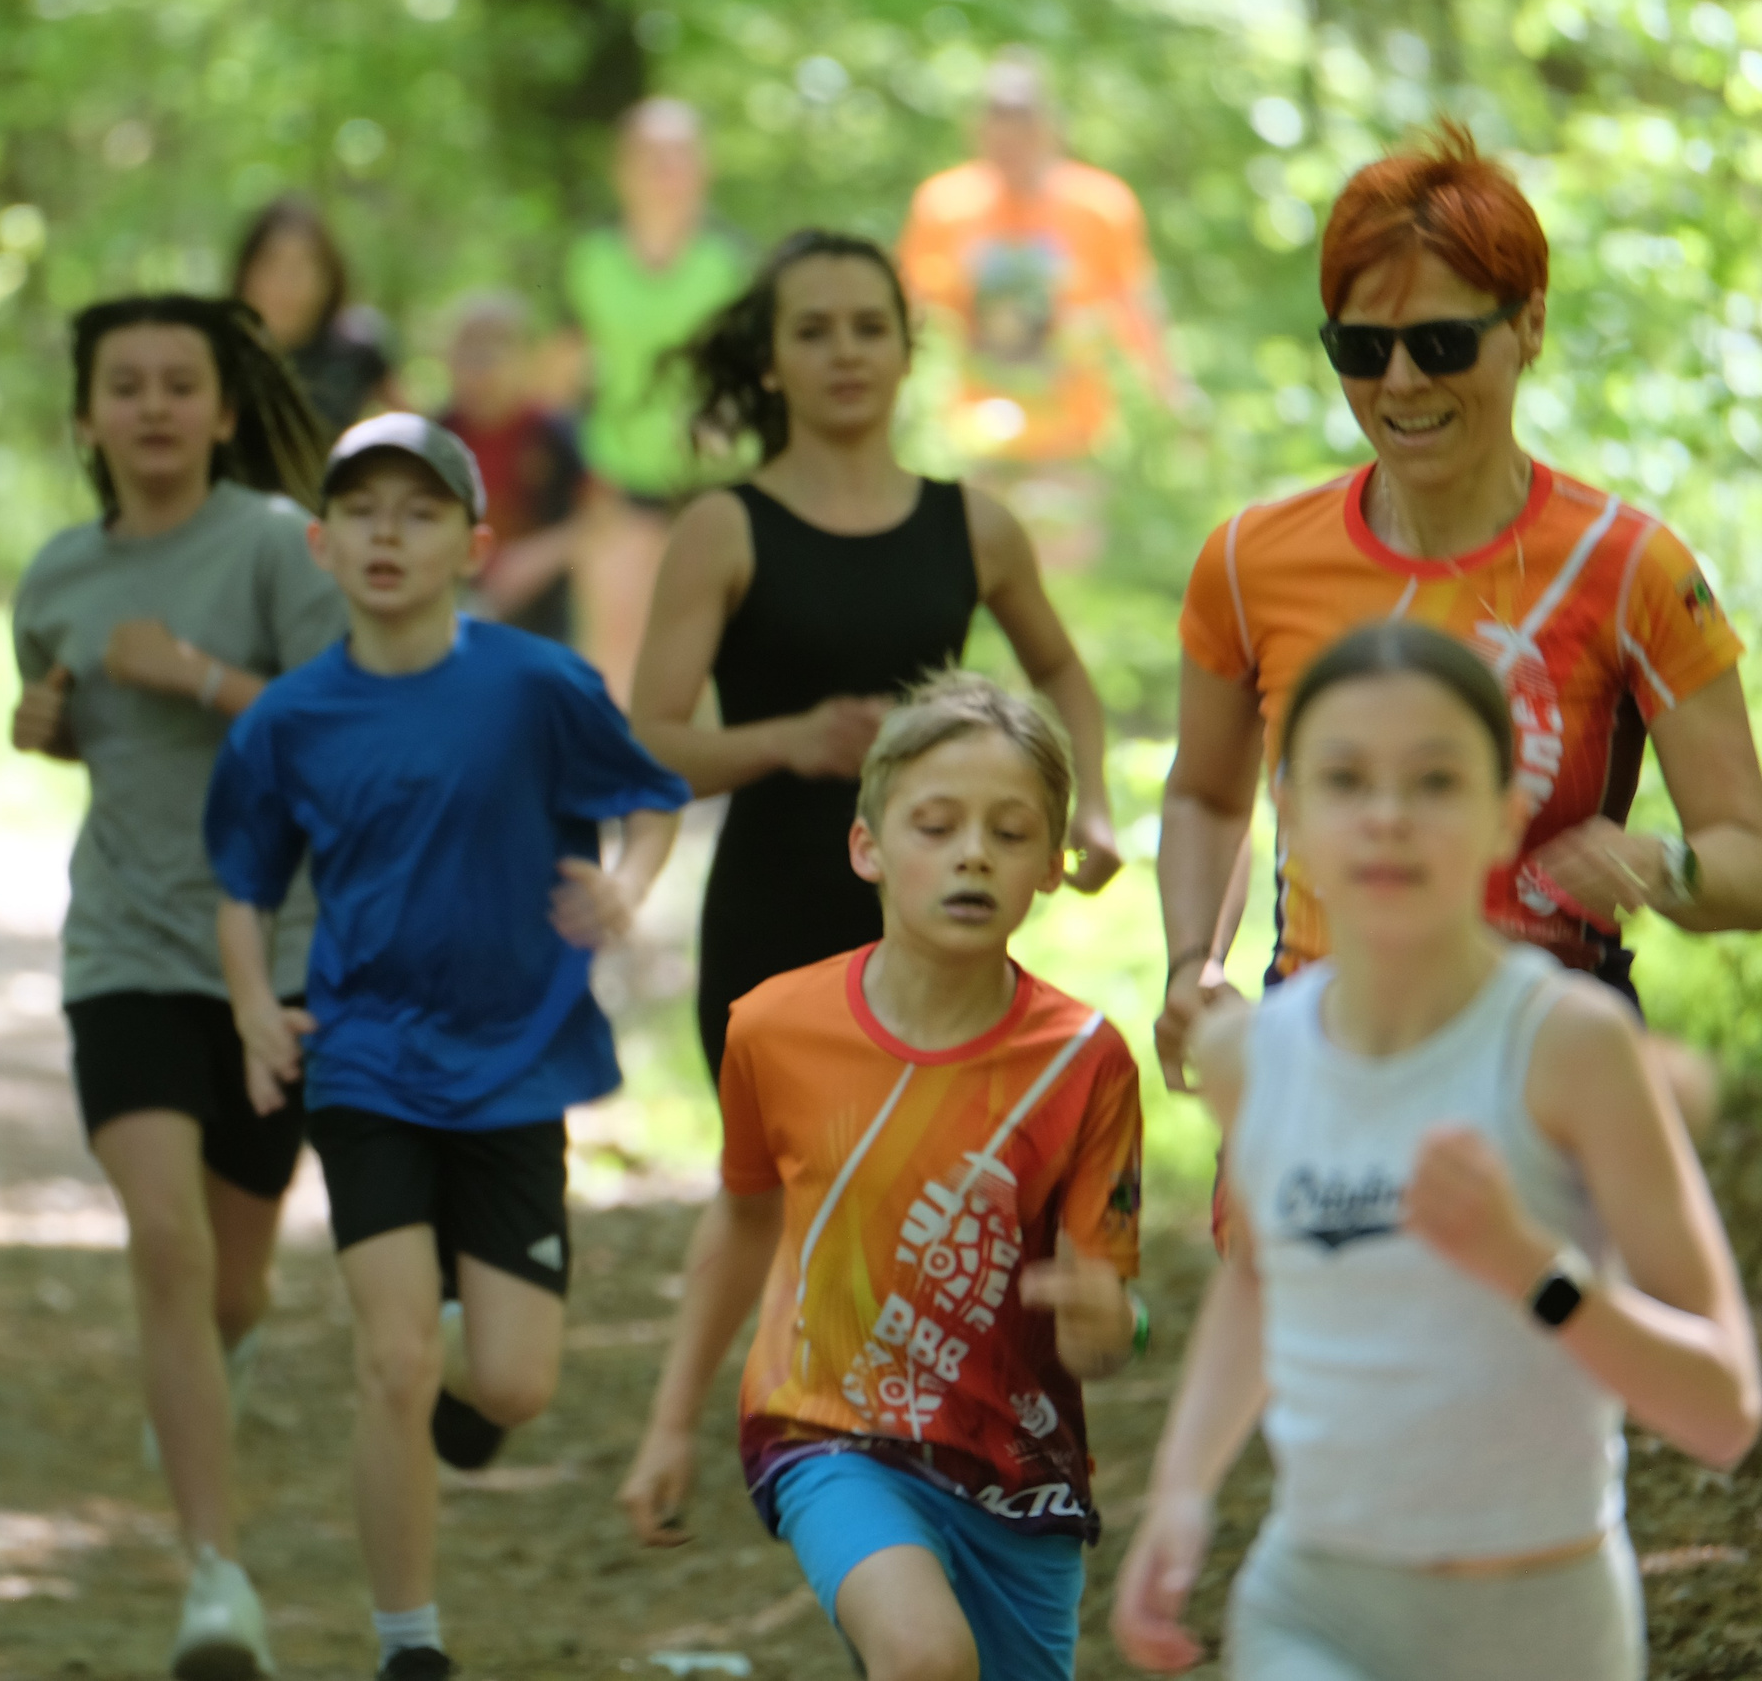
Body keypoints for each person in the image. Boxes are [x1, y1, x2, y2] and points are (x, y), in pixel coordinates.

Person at [1112, 621, 1760, 1680]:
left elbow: (1724, 1408)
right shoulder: (1247, 1056)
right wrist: (1182, 1488)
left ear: (1505, 816)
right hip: (1314, 1608)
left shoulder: (1569, 1047)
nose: (1386, 817)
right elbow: (1264, 1278)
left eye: (1434, 781)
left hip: (1543, 1624)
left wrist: (1529, 1270)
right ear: (1294, 816)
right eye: (1345, 780)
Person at [205, 414, 689, 1681]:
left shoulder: (536, 685)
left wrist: (627, 886)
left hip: (519, 1062)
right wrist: (256, 1006)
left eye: (419, 513)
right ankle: (407, 1644)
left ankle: (460, 1401)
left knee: (514, 1384)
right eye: (361, 512)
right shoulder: (289, 719)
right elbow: (242, 883)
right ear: (319, 542)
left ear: (472, 547)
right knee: (396, 1356)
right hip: (364, 1056)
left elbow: (651, 800)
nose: (386, 535)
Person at [1155, 124, 1762, 1123]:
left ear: (1526, 325)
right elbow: (1208, 800)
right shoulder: (1249, 558)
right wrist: (1192, 962)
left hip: (1546, 1060)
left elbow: (1745, 851)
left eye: (1440, 343)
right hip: (1317, 1040)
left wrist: (1662, 864)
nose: (1399, 383)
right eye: (1360, 349)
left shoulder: (1625, 567)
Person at [618, 673, 1146, 1681]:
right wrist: (669, 1422)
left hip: (1018, 1471)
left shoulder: (1085, 1060)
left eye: (1010, 831)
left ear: (1048, 865)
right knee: (921, 1657)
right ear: (868, 846)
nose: (971, 855)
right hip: (825, 1429)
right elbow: (740, 1222)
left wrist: (1106, 1324)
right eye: (935, 825)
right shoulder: (771, 1029)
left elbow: (1107, 1314)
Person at [8, 292, 342, 1681]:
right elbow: (77, 723)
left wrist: (200, 673)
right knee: (164, 1240)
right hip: (127, 951)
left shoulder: (277, 544)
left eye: (177, 384)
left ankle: (215, 1356)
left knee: (234, 1273)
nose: (151, 406)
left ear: (221, 406)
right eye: (123, 386)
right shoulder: (55, 577)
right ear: (87, 417)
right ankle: (216, 1577)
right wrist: (48, 727)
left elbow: (358, 726)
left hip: (281, 955)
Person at [631, 230, 1122, 1082]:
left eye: (869, 327)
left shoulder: (974, 525)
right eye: (813, 331)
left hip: (943, 919)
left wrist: (1093, 801)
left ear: (905, 353)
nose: (845, 352)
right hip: (771, 918)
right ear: (769, 364)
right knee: (785, 1204)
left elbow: (1062, 672)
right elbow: (647, 750)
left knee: (936, 1203)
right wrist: (788, 740)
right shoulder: (723, 530)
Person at [897, 50, 1191, 570]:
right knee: (975, 584)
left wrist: (1175, 396)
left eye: (1023, 119)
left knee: (1060, 593)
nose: (1009, 136)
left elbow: (1136, 307)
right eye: (995, 119)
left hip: (1070, 436)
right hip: (976, 431)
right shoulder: (944, 206)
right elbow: (906, 310)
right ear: (977, 128)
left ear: (1051, 126)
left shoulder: (1100, 206)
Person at [558, 97, 748, 699]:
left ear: (703, 168)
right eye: (649, 156)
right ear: (621, 169)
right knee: (612, 661)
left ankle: (693, 791)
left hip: (714, 489)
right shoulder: (590, 260)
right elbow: (557, 375)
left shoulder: (733, 263)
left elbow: (759, 373)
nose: (664, 170)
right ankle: (615, 791)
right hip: (618, 485)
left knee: (714, 671)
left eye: (679, 155)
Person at [437, 291, 588, 641]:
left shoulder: (553, 432)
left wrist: (540, 555)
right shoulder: (438, 434)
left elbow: (601, 514)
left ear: (527, 358)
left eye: (496, 351)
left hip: (541, 620)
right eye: (469, 352)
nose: (481, 367)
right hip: (453, 616)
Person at [232, 194, 399, 436]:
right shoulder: (216, 355)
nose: (286, 284)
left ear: (329, 277)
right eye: (272, 264)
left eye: (302, 267)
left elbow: (419, 438)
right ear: (247, 272)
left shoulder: (357, 350)